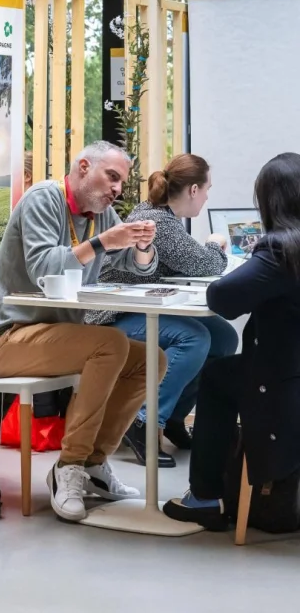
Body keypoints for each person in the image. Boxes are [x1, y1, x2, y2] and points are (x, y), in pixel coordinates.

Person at [0, 140, 167, 522]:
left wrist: (143, 247)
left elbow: (137, 267)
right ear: (83, 168)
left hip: (58, 336)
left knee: (151, 358)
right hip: (9, 338)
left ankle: (95, 464)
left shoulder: (101, 213)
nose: (116, 189)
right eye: (111, 177)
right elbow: (44, 267)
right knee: (110, 345)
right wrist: (102, 243)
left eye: (121, 182)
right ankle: (69, 466)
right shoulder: (44, 199)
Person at [164, 152, 300, 530]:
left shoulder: (281, 250)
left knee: (219, 376)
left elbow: (222, 298)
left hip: (280, 381)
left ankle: (205, 497)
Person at [100, 154, 239, 467]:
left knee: (224, 338)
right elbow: (205, 264)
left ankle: (174, 417)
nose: (206, 197)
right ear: (192, 190)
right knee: (196, 338)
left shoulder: (160, 216)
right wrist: (215, 242)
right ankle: (143, 422)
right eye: (206, 190)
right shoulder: (158, 222)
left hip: (136, 307)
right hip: (111, 316)